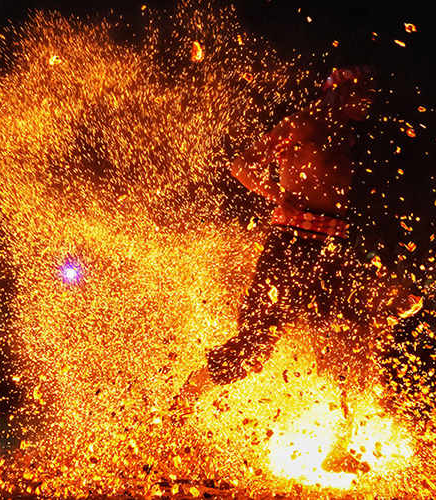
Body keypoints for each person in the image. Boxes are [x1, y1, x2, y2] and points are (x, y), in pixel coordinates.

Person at [174, 66, 380, 472]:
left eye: (371, 93)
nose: (369, 101)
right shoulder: (301, 124)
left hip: (331, 247)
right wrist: (277, 198)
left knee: (347, 336)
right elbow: (242, 165)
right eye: (362, 91)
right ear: (337, 93)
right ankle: (180, 407)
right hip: (291, 245)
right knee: (254, 347)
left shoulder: (347, 135)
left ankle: (342, 448)